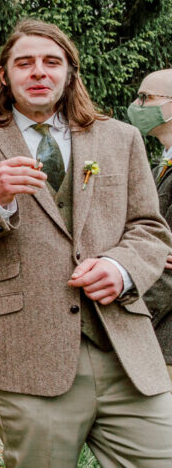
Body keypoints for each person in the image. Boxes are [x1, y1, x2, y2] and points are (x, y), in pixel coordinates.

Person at [0, 19, 172, 467]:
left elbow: (150, 228)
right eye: (25, 63)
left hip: (126, 352)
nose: (38, 72)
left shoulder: (122, 138)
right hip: (27, 358)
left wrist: (122, 268)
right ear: (5, 75)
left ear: (69, 72)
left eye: (51, 62)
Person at [128, 69, 172, 380]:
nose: (137, 105)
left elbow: (166, 261)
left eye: (147, 98)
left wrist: (134, 318)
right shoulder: (163, 160)